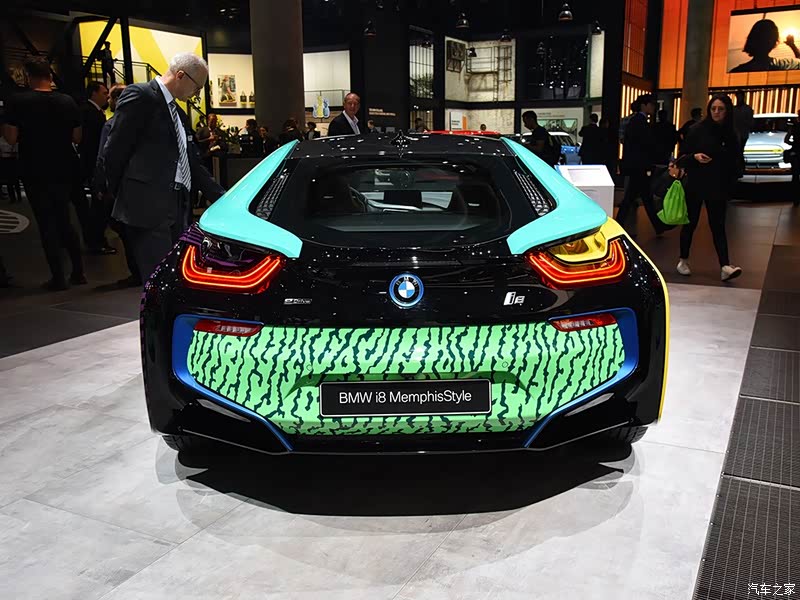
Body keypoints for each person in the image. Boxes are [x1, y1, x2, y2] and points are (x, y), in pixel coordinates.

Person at [103, 52, 225, 282]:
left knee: (173, 281)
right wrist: (124, 194)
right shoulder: (140, 96)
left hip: (177, 208)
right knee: (157, 281)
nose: (196, 94)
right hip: (146, 208)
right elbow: (114, 150)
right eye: (197, 87)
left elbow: (192, 163)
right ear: (181, 75)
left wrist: (222, 198)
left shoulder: (178, 114)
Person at [2, 57, 86, 290]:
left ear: (28, 77)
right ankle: (78, 272)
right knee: (65, 219)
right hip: (64, 166)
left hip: (34, 167)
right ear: (49, 75)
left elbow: (11, 138)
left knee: (46, 222)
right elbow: (77, 137)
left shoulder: (18, 102)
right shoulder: (67, 101)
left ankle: (58, 277)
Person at [678, 94, 743, 282]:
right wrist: (695, 157)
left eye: (721, 109)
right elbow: (682, 156)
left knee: (718, 225)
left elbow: (736, 160)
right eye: (713, 108)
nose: (716, 112)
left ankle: (725, 265)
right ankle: (683, 260)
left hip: (718, 184)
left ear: (727, 111)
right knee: (690, 223)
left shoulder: (731, 133)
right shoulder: (697, 130)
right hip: (696, 182)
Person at [95, 84, 140, 287]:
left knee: (123, 228)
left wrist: (101, 185)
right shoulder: (144, 124)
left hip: (120, 185)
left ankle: (136, 272)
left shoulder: (111, 125)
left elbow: (103, 158)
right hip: (141, 184)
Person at [616, 93, 666, 235]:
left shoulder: (634, 121)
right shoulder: (640, 122)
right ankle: (657, 226)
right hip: (639, 165)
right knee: (638, 196)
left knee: (639, 195)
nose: (653, 107)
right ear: (644, 105)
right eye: (651, 104)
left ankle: (657, 226)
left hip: (636, 165)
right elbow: (645, 145)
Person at [79, 80, 116, 255]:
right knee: (98, 207)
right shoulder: (90, 113)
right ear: (93, 93)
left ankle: (96, 239)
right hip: (95, 166)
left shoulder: (96, 113)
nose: (107, 97)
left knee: (99, 206)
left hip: (95, 166)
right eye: (104, 93)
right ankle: (96, 241)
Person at [730, 19, 800, 72]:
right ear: (774, 41)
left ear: (751, 40)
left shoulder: (738, 71)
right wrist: (792, 45)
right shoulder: (783, 65)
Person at [0, 123, 22, 203]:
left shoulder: (15, 138)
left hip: (13, 161)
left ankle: (19, 197)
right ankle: (12, 198)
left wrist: (9, 153)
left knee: (15, 180)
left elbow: (17, 152)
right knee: (8, 181)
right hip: (4, 161)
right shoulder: (1, 139)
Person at [784, 110, 800, 207]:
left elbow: (786, 140)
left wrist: (793, 143)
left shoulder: (794, 127)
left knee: (795, 176)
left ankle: (795, 198)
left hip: (796, 152)